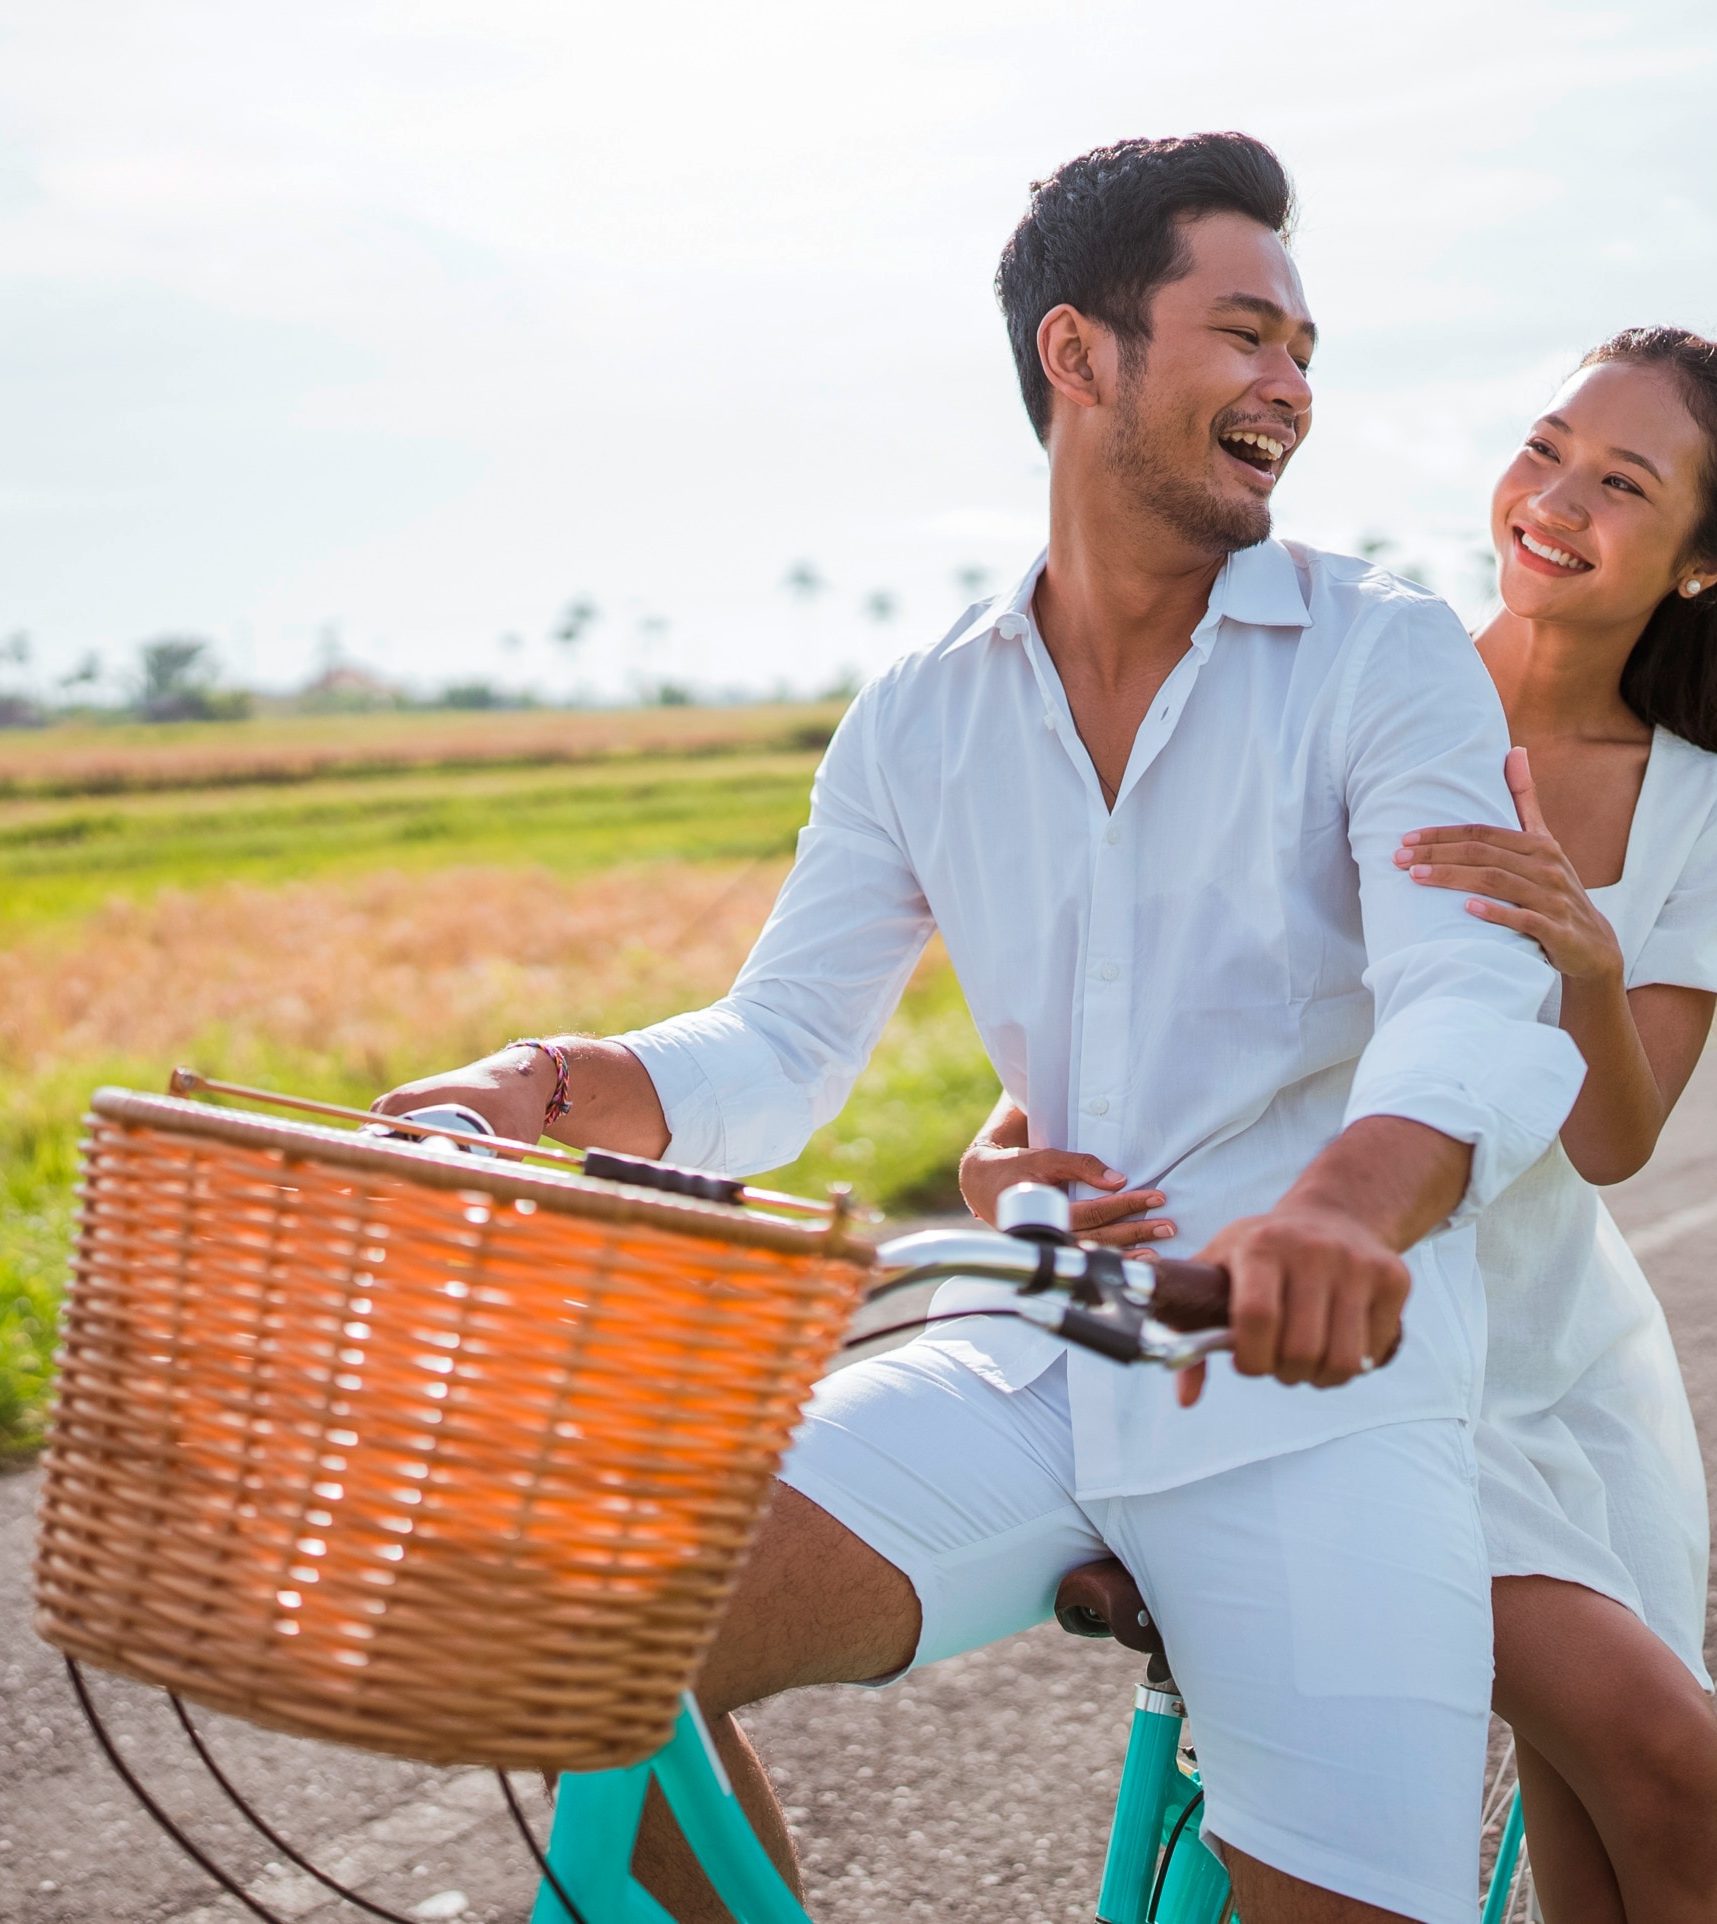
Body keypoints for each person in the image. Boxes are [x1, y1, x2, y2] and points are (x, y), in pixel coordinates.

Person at [375, 134, 1584, 1924]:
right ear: (1077, 355)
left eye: (1307, 351)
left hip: (1315, 1396)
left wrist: (1336, 1212)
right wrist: (532, 1086)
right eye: (1245, 336)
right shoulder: (922, 711)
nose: (1292, 389)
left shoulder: (1378, 656)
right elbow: (777, 1049)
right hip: (1044, 1348)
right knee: (573, 1624)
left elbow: (1471, 993)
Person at [963, 326, 1717, 1922]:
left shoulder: (1710, 807)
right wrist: (1010, 1145)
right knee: (1661, 1757)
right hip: (1351, 1335)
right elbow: (1157, 977)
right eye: (1548, 447)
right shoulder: (1355, 677)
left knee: (1611, 1820)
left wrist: (1590, 951)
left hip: (1561, 1354)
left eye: (1623, 484)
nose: (1555, 500)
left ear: (1701, 564)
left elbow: (1615, 1144)